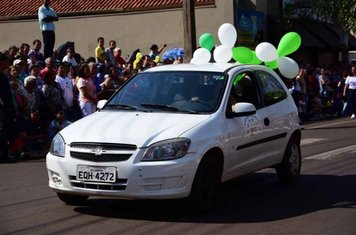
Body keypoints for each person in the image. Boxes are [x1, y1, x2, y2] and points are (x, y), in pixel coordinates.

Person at [0, 52, 17, 162]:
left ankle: (5, 154)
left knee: (7, 131)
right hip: (1, 109)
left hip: (7, 109)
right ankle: (3, 155)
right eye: (5, 61)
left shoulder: (3, 76)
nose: (8, 63)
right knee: (1, 132)